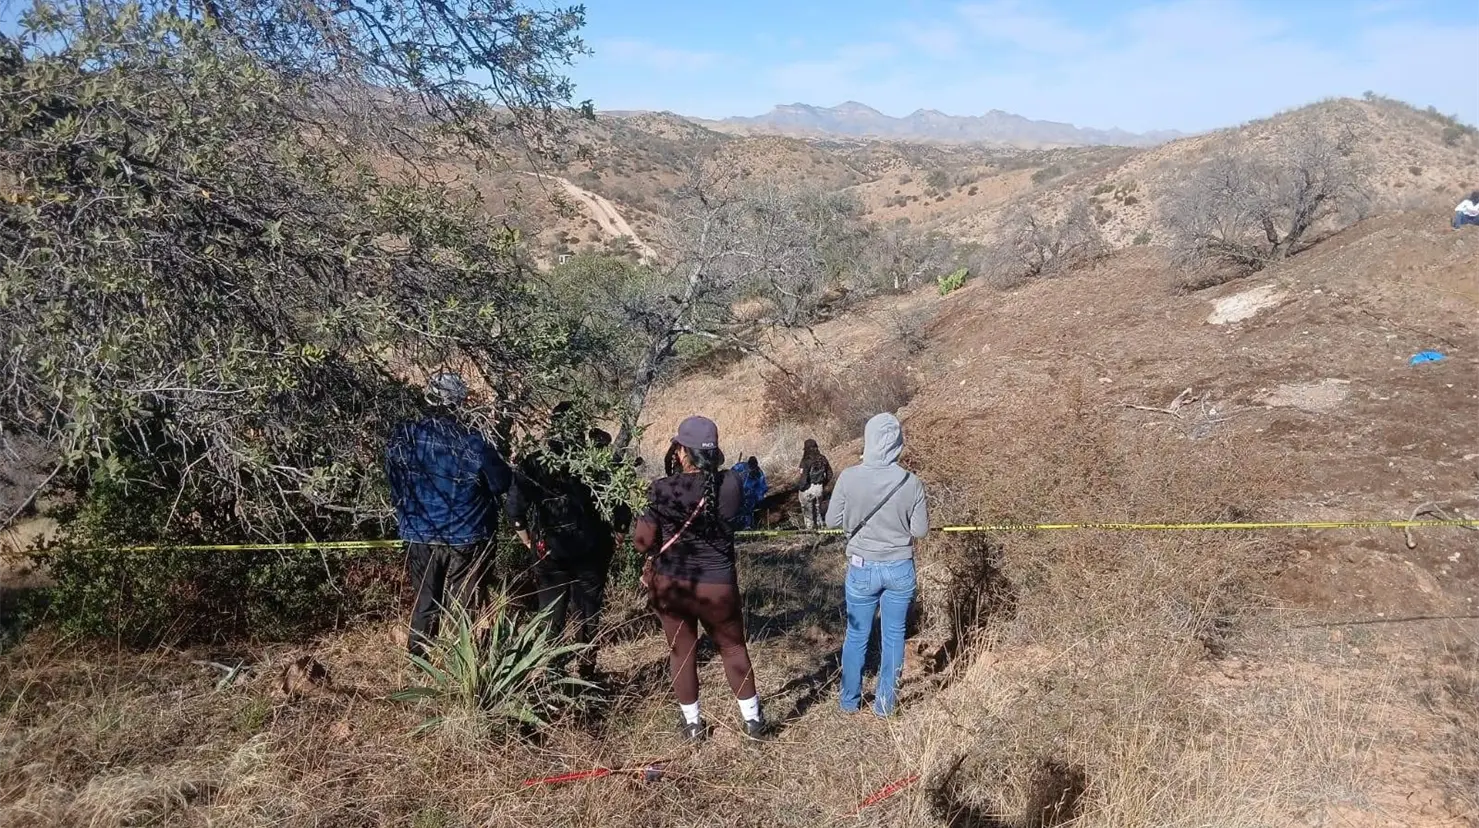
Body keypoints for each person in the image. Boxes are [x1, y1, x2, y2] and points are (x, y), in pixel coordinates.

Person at [633, 416, 769, 741]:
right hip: (719, 584)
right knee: (733, 647)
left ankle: (693, 725)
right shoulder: (732, 484)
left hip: (671, 585)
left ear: (681, 451)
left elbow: (642, 541)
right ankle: (753, 721)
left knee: (682, 653)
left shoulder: (661, 489)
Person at [386, 372, 511, 658]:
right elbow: (502, 483)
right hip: (467, 536)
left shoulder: (404, 437)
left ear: (429, 398)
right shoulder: (473, 443)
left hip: (419, 533)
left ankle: (420, 660)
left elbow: (393, 479)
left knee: (425, 601)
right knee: (464, 606)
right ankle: (464, 665)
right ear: (460, 404)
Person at [506, 405, 630, 680]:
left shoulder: (533, 463)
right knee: (588, 613)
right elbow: (621, 502)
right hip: (592, 552)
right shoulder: (594, 462)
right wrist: (618, 534)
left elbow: (515, 509)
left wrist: (528, 541)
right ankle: (586, 671)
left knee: (551, 614)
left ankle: (552, 672)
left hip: (549, 554)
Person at [825, 413, 928, 717]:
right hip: (899, 568)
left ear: (867, 439)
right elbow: (920, 531)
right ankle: (885, 705)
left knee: (857, 635)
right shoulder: (912, 482)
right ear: (898, 442)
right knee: (894, 635)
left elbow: (833, 520)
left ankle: (849, 702)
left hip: (861, 567)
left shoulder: (849, 476)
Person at [797, 439, 833, 530]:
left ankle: (810, 534)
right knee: (818, 513)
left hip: (808, 490)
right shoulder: (823, 458)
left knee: (808, 515)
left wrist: (801, 488)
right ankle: (821, 532)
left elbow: (803, 479)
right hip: (819, 489)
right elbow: (830, 474)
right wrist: (822, 484)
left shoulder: (805, 461)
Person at [728, 455, 768, 530]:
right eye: (750, 467)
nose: (751, 469)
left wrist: (759, 499)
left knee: (748, 512)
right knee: (735, 511)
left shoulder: (759, 473)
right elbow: (730, 474)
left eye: (753, 468)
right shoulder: (740, 467)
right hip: (736, 493)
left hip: (750, 497)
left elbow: (762, 487)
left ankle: (747, 527)